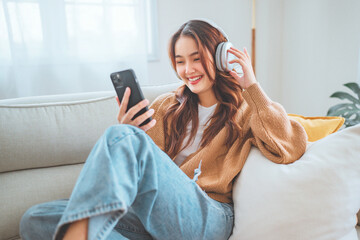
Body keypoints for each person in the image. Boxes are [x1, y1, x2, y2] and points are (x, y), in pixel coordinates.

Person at [20, 19, 307, 240]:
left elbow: (291, 147)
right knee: (36, 218)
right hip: (156, 217)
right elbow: (147, 176)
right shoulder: (167, 105)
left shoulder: (246, 108)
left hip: (208, 217)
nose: (188, 69)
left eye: (196, 58)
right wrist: (130, 132)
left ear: (220, 56)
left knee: (119, 140)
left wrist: (252, 87)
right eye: (180, 61)